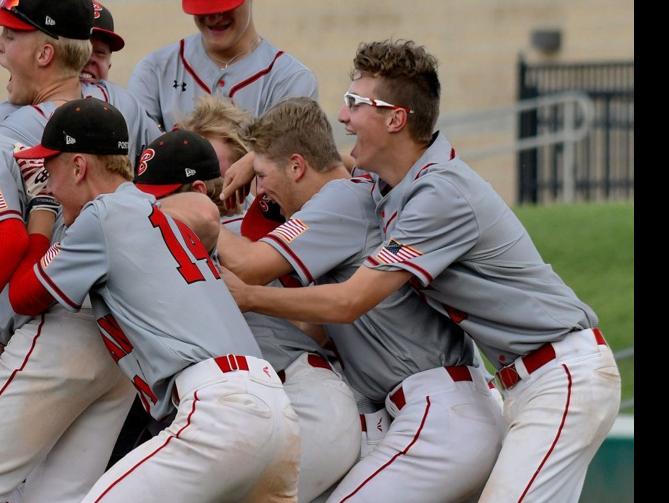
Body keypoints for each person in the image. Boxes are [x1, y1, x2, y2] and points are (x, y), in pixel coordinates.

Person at [222, 41, 622, 503]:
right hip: (524, 381)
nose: (344, 114)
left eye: (356, 103)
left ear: (396, 119)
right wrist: (261, 156)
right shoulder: (394, 180)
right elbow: (330, 165)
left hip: (560, 373)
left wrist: (250, 296)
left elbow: (350, 301)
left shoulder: (439, 197)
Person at [10, 97, 300, 503]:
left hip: (218, 409)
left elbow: (23, 297)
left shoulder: (103, 214)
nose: (49, 183)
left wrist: (37, 212)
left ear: (78, 167)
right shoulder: (160, 213)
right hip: (277, 413)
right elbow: (198, 210)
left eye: (50, 169)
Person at [217, 96, 505, 502]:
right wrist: (258, 157)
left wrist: (192, 212)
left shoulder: (339, 200)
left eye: (264, 176)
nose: (260, 190)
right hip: (447, 404)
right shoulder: (366, 187)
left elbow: (247, 266)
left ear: (297, 166)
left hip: (439, 412)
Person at [134, 126, 361, 502]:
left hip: (306, 397)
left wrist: (254, 158)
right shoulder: (168, 240)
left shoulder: (242, 235)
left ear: (195, 194)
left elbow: (340, 171)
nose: (152, 213)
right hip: (264, 410)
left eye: (161, 200)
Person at [0, 1, 158, 500]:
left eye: (10, 38)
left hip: (49, 330)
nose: (2, 49)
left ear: (46, 53)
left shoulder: (11, 132)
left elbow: (7, 250)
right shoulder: (123, 105)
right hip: (122, 337)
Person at [128, 0, 318, 133]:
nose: (214, 16)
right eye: (204, 5)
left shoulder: (291, 80)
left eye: (224, 5)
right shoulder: (154, 71)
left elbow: (284, 167)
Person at [79, 1, 125, 84]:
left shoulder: (123, 96)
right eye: (80, 50)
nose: (89, 59)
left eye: (100, 52)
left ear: (108, 66)